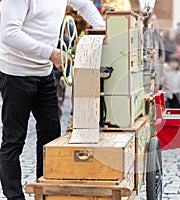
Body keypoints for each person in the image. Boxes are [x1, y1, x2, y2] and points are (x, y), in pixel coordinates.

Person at [0, 0, 105, 199]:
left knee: (51, 135)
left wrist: (102, 30)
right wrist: (51, 53)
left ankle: (45, 190)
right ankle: (14, 196)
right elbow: (8, 33)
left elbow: (85, 5)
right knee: (14, 140)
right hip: (16, 74)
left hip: (45, 72)